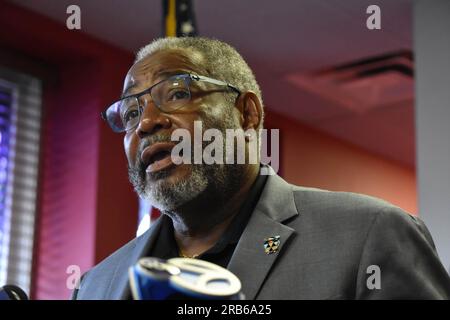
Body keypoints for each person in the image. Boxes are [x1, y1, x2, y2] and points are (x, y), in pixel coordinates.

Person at [72, 37, 450, 299]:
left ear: (246, 114)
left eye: (177, 93)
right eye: (131, 112)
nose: (146, 123)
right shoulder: (95, 285)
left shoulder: (370, 234)